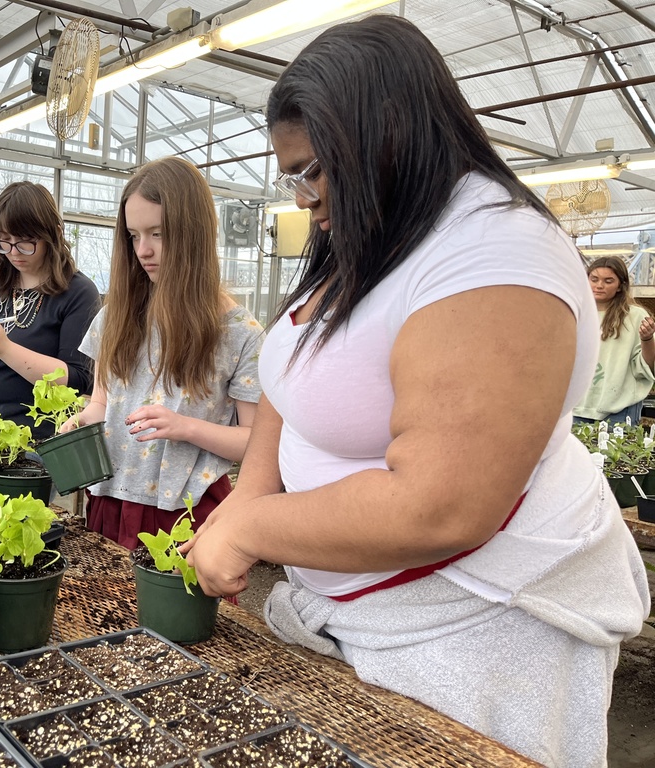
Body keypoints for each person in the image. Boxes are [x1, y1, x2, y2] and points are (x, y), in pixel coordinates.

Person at [181, 15, 649, 767]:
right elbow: (289, 381)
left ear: (384, 137)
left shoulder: (498, 251)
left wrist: (253, 529)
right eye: (289, 174)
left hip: (475, 634)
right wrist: (247, 496)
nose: (301, 196)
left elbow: (441, 504)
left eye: (313, 169)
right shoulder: (374, 231)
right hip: (364, 625)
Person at [61, 156, 263, 550]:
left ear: (194, 234)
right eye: (134, 236)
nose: (144, 250)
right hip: (111, 500)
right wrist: (79, 422)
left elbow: (255, 443)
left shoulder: (239, 332)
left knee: (178, 611)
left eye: (158, 233)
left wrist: (185, 426)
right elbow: (101, 403)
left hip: (188, 513)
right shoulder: (115, 316)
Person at [0, 181, 99, 443]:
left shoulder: (77, 292)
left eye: (26, 242)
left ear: (54, 234)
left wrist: (5, 348)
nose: (14, 253)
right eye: (4, 242)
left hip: (28, 445)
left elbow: (78, 380)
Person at [572, 256, 655, 425]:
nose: (599, 285)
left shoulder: (635, 316)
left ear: (620, 286)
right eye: (594, 279)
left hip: (619, 409)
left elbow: (645, 366)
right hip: (575, 405)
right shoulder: (573, 313)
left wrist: (647, 339)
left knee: (616, 451)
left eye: (608, 281)